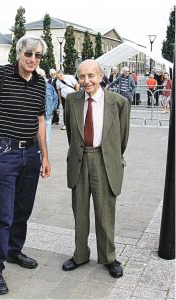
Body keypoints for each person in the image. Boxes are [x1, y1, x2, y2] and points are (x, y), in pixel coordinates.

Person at [0, 35, 51, 295]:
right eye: (29, 54)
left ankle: (14, 252)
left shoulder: (41, 82)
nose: (33, 59)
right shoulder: (1, 75)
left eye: (38, 56)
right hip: (5, 151)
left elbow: (40, 120)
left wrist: (45, 156)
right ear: (19, 53)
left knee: (23, 210)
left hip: (31, 153)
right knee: (3, 214)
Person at [62, 59, 130, 279]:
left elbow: (122, 139)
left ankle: (109, 257)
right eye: (82, 76)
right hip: (80, 160)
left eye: (91, 76)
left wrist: (109, 156)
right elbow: (72, 135)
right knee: (79, 211)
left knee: (105, 212)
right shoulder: (71, 100)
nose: (86, 81)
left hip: (104, 160)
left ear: (101, 76)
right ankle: (80, 254)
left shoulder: (118, 102)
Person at [37, 68, 58, 150]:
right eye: (40, 76)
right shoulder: (32, 87)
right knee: (37, 139)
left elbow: (55, 98)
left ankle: (44, 157)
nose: (42, 78)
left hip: (47, 116)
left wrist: (52, 109)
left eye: (43, 76)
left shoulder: (49, 87)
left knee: (47, 138)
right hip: (36, 117)